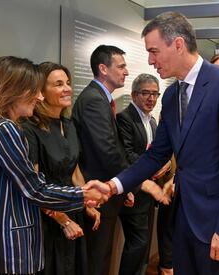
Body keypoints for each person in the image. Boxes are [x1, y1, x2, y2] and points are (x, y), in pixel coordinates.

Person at [101, 11, 219, 275]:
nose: (150, 61)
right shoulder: (173, 95)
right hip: (183, 220)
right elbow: (156, 155)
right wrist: (112, 186)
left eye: (153, 51)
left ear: (178, 44)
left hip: (217, 222)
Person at [0, 56, 107, 275]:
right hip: (11, 244)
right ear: (14, 90)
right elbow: (34, 189)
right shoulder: (4, 129)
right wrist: (83, 195)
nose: (39, 96)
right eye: (35, 90)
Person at [72, 45, 166, 275]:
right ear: (103, 69)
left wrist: (124, 187)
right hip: (98, 195)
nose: (126, 71)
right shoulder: (94, 100)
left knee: (102, 257)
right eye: (121, 66)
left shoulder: (101, 99)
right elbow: (108, 152)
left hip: (107, 192)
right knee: (97, 259)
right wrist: (139, 182)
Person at [23, 62, 101, 275]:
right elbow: (33, 186)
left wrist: (88, 202)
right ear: (41, 91)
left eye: (68, 83)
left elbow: (74, 170)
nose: (67, 88)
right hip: (47, 218)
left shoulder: (69, 125)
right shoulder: (30, 128)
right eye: (58, 84)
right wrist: (62, 219)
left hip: (72, 212)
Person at [116, 73, 173, 275]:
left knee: (143, 245)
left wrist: (165, 164)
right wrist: (152, 169)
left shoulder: (152, 121)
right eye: (146, 93)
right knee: (138, 243)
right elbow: (127, 154)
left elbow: (159, 152)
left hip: (150, 194)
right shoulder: (125, 118)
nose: (151, 99)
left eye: (155, 94)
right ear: (133, 95)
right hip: (134, 192)